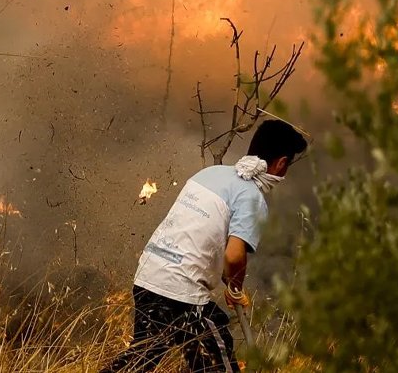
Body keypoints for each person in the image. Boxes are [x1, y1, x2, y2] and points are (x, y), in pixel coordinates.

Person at [100, 120, 308, 373]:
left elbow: (202, 239)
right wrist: (235, 288)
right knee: (216, 360)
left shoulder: (210, 174)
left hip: (149, 277)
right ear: (282, 163)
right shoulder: (252, 198)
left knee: (143, 357)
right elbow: (234, 256)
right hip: (181, 293)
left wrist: (228, 280)